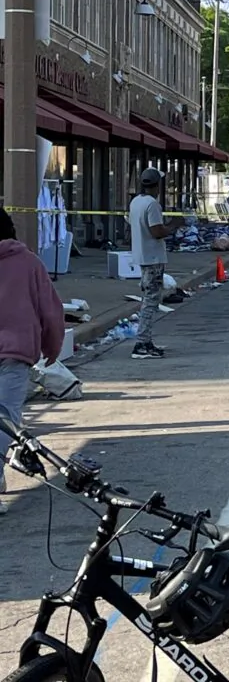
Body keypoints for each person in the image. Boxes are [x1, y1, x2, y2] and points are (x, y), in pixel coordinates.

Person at [0, 209, 65, 514]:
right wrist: (52, 347)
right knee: (6, 421)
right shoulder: (29, 263)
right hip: (15, 353)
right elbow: (51, 312)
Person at [128, 168, 181, 359]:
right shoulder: (152, 204)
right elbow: (157, 231)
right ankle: (142, 343)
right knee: (151, 301)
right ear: (157, 185)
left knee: (148, 299)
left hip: (142, 256)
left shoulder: (135, 202)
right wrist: (174, 225)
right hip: (153, 258)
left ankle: (144, 340)